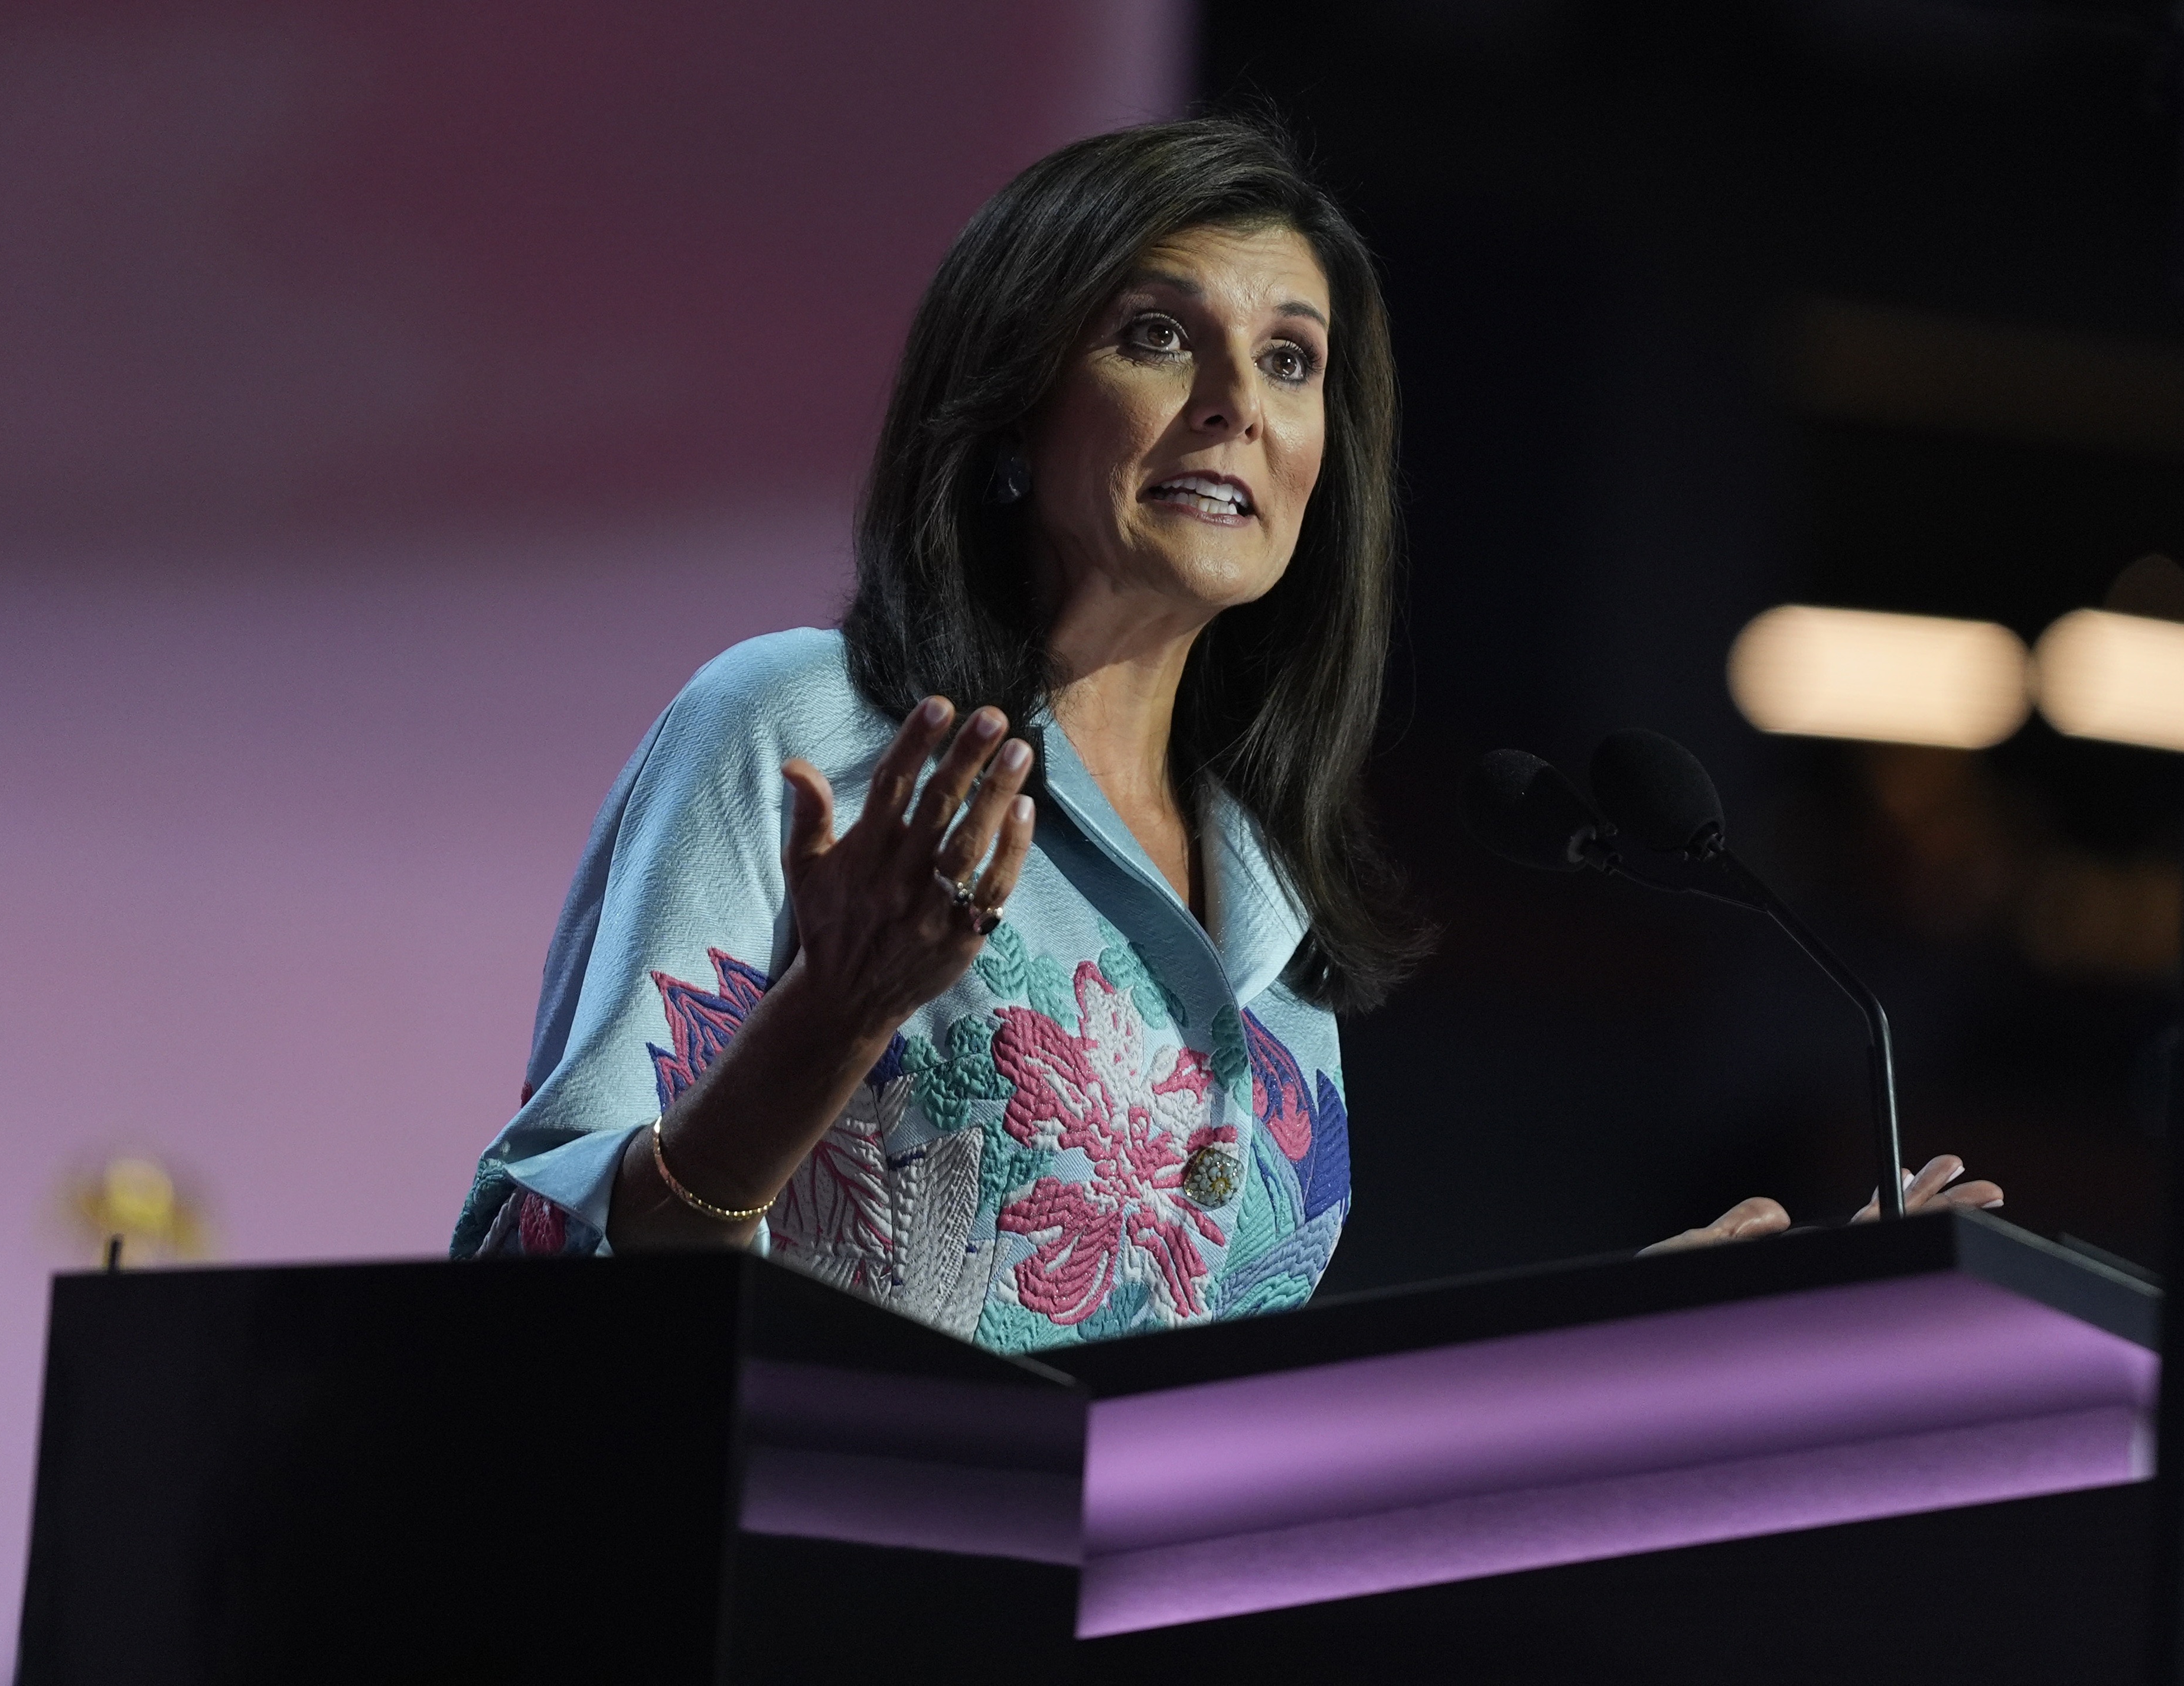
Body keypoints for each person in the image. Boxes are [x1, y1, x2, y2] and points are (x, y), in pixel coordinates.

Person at [449, 113, 1996, 1349]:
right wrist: (830, 1019)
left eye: (1289, 360)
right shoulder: (805, 731)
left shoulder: (1272, 924)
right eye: (1155, 334)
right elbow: (534, 1269)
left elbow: (1240, 1444)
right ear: (1014, 405)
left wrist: (1625, 1344)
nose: (1235, 404)